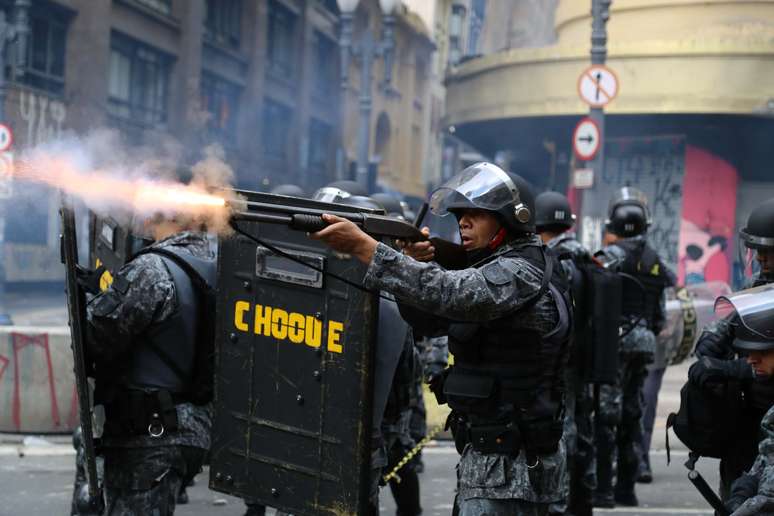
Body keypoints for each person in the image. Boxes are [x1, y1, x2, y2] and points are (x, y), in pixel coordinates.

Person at [311, 162, 572, 515]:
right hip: (495, 464)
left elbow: (452, 293)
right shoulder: (498, 265)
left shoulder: (520, 271)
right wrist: (414, 263)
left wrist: (368, 250)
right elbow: (431, 320)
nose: (463, 222)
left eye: (476, 214)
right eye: (461, 214)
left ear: (511, 219)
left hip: (512, 472)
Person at [85, 212, 215, 515]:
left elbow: (99, 336)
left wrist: (89, 297)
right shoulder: (216, 264)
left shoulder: (152, 268)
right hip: (191, 426)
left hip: (150, 431)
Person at [592, 187, 673, 508]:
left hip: (616, 344)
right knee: (632, 414)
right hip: (644, 345)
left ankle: (603, 491)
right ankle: (627, 489)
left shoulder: (608, 257)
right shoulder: (656, 261)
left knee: (606, 418)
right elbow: (661, 314)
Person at [693, 198, 774, 502]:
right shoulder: (755, 290)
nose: (762, 259)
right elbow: (712, 340)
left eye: (770, 251)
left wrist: (738, 369)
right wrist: (711, 356)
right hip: (748, 421)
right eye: (759, 251)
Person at [534, 191, 596, 516]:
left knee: (566, 429)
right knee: (582, 426)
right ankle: (583, 502)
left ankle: (565, 501)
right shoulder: (584, 259)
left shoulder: (552, 262)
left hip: (561, 359)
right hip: (583, 356)